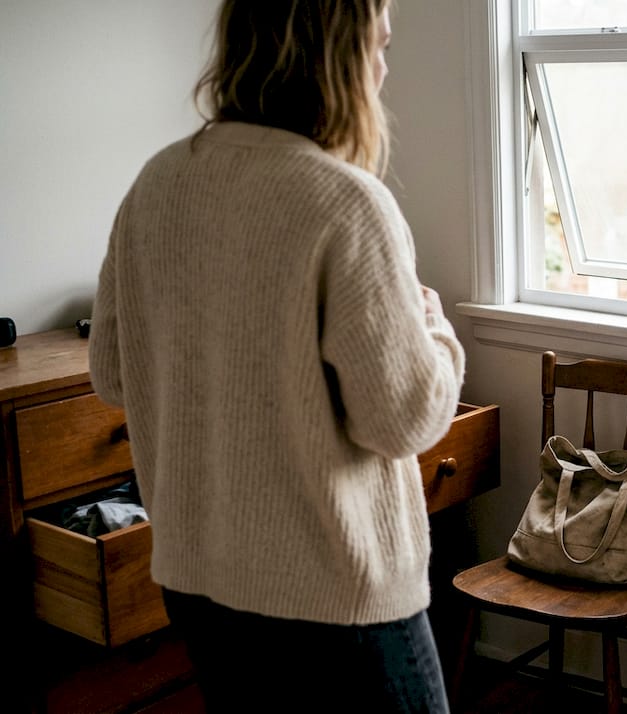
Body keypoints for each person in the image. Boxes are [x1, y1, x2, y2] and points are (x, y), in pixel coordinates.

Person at [88, 2, 463, 711]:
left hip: (200, 587)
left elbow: (112, 373)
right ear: (338, 56)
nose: (384, 69)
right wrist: (436, 332)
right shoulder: (347, 202)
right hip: (336, 603)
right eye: (378, 47)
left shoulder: (155, 184)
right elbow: (402, 421)